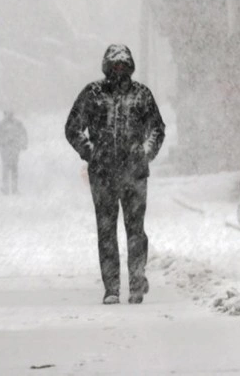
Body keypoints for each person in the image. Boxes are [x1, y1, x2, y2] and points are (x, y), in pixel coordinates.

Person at [65, 44, 165, 305]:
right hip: (103, 175)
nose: (119, 69)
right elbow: (72, 127)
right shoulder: (93, 93)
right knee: (107, 232)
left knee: (136, 231)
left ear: (130, 66)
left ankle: (136, 281)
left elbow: (157, 128)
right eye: (115, 65)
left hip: (135, 173)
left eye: (123, 64)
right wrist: (90, 152)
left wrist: (145, 153)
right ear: (107, 66)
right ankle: (111, 288)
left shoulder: (142, 95)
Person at [0, 110, 28, 195]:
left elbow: (24, 134)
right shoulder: (2, 125)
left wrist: (24, 143)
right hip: (6, 149)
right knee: (8, 168)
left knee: (11, 168)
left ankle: (12, 188)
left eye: (10, 114)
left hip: (13, 149)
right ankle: (8, 188)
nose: (9, 116)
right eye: (8, 114)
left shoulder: (15, 124)